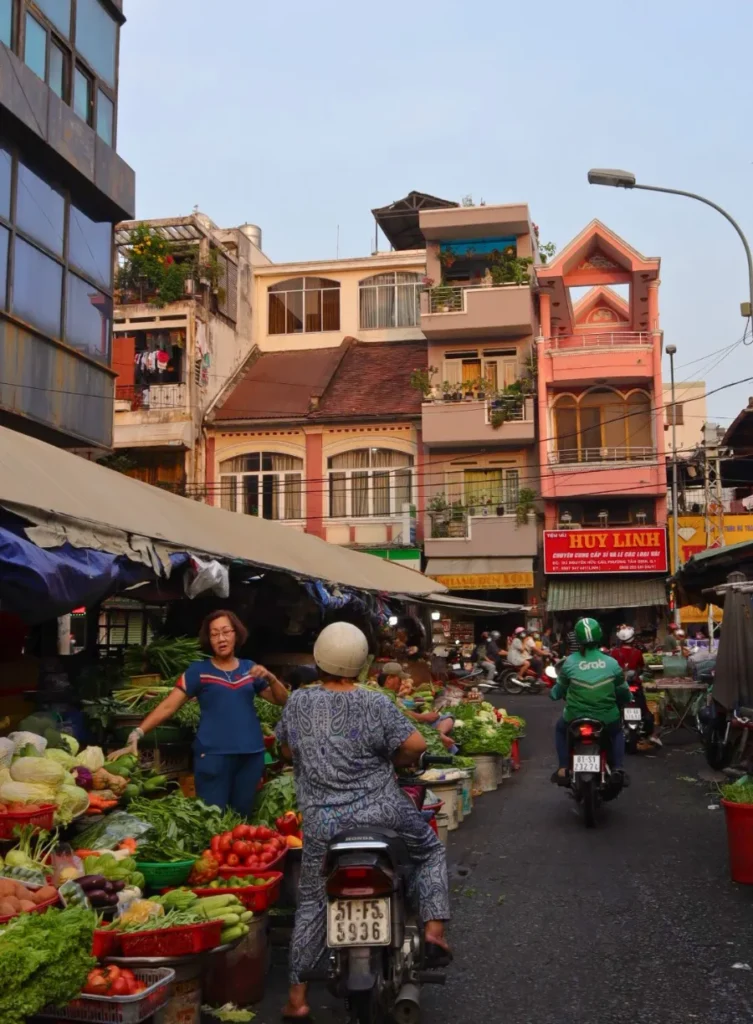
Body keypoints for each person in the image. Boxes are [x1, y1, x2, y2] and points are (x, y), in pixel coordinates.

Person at [277, 621, 452, 1020]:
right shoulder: (375, 703)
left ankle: (297, 1000)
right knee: (429, 852)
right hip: (381, 811)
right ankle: (433, 933)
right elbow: (415, 745)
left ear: (319, 658)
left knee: (312, 899)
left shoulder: (298, 703)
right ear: (360, 663)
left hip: (322, 823)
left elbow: (286, 750)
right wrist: (394, 760)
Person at [113, 610, 288, 815]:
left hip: (250, 756)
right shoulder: (198, 671)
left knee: (243, 818)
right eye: (214, 634)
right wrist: (138, 732)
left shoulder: (250, 669)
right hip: (213, 757)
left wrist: (271, 678)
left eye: (226, 632)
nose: (221, 638)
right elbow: (169, 706)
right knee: (212, 817)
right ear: (208, 639)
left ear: (236, 634)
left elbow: (282, 700)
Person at [550, 616, 632, 783]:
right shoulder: (611, 663)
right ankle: (617, 768)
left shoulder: (569, 663)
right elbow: (623, 691)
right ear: (599, 635)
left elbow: (557, 692)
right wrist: (627, 698)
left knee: (560, 729)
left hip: (575, 716)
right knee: (617, 732)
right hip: (607, 716)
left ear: (577, 638)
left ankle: (563, 767)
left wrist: (554, 693)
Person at [610, 625, 660, 748]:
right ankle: (650, 734)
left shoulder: (614, 652)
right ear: (633, 639)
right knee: (645, 710)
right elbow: (642, 667)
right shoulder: (637, 652)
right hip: (635, 685)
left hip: (619, 685)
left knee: (613, 708)